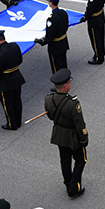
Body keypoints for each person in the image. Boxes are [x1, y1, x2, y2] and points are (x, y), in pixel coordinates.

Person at [44, 69, 88, 197]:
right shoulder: (72, 103)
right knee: (81, 160)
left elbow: (51, 117)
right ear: (66, 85)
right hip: (73, 137)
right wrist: (84, 139)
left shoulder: (48, 99)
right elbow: (79, 124)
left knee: (65, 160)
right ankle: (74, 187)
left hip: (59, 134)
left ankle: (68, 182)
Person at [0, 30, 25, 131]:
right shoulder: (14, 46)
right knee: (17, 101)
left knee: (8, 104)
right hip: (17, 78)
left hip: (5, 82)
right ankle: (18, 121)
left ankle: (11, 124)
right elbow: (20, 60)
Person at [35, 0, 69, 74]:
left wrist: (40, 41)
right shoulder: (63, 13)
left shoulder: (51, 19)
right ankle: (66, 80)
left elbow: (49, 37)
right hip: (63, 42)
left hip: (55, 46)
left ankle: (59, 84)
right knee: (63, 63)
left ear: (51, 3)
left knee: (56, 66)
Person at [79, 0, 105, 65]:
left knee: (95, 39)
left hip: (94, 20)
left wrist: (85, 17)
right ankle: (101, 53)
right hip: (101, 16)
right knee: (101, 37)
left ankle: (98, 58)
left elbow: (90, 9)